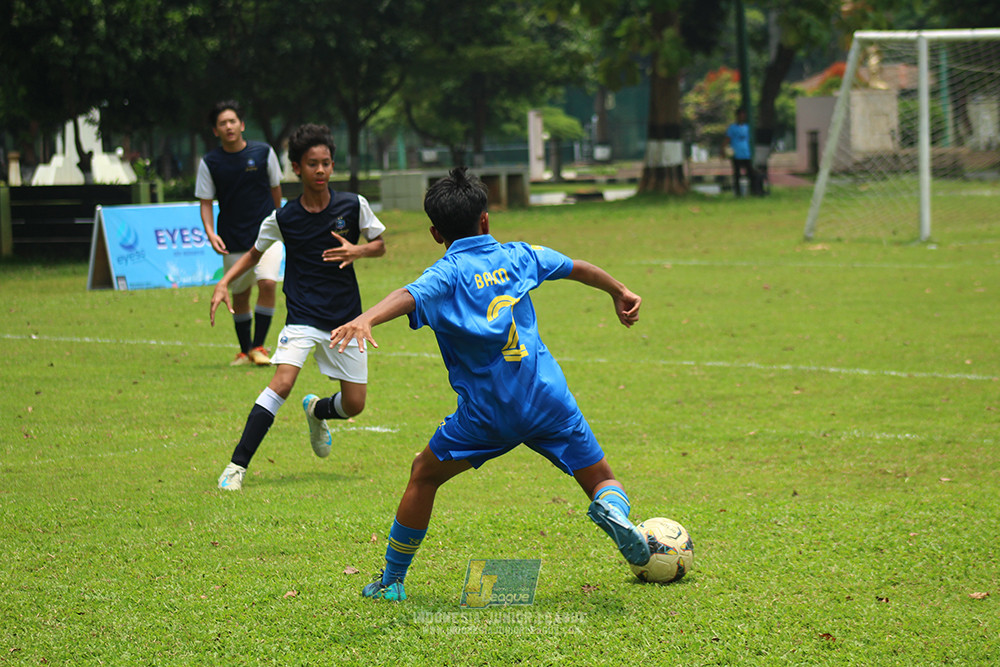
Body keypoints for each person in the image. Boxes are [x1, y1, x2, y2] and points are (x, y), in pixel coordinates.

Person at [329, 167, 651, 601]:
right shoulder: (520, 256)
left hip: (487, 415)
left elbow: (409, 294)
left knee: (423, 474)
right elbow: (576, 267)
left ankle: (391, 581)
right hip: (547, 398)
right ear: (485, 219)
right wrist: (619, 291)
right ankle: (612, 509)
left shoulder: (446, 274)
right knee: (601, 479)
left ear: (435, 233)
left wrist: (367, 318)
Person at [210, 124, 386, 491]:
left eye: (326, 163)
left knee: (354, 405)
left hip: (347, 319)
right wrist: (225, 282)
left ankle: (317, 410)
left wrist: (358, 250)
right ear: (296, 168)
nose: (320, 170)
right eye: (312, 164)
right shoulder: (283, 218)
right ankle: (236, 467)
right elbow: (254, 254)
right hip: (303, 317)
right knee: (282, 382)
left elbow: (379, 244)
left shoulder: (353, 205)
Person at [197, 100, 284, 366]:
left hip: (267, 235)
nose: (229, 126)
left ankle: (259, 347)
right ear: (216, 131)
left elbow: (276, 189)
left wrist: (279, 220)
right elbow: (205, 202)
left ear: (242, 125)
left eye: (232, 121)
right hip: (232, 238)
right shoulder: (210, 162)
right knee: (240, 294)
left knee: (267, 282)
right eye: (222, 123)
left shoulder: (264, 153)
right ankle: (245, 351)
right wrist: (210, 233)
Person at [724, 107, 756, 197]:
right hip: (737, 154)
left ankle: (753, 191)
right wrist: (723, 150)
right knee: (737, 174)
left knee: (750, 173)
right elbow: (727, 139)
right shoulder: (732, 128)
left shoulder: (748, 127)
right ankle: (737, 193)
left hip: (746, 154)